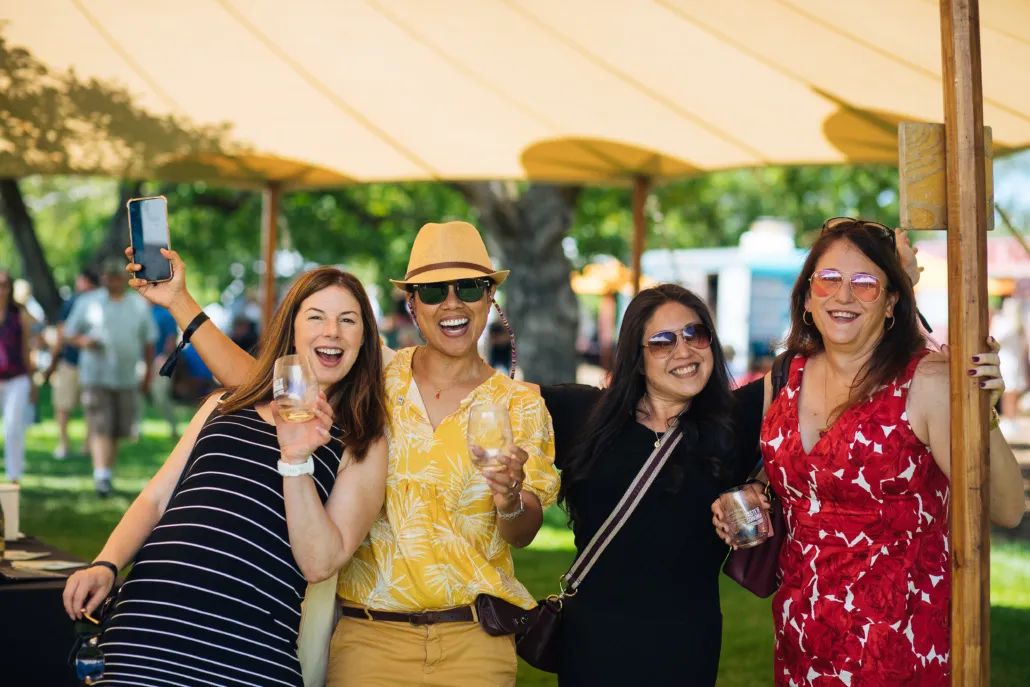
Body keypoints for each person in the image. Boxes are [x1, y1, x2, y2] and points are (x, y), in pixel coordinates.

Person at [125, 221, 559, 686]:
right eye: (433, 291)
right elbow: (258, 383)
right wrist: (180, 302)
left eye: (469, 287)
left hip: (473, 640)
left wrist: (509, 499)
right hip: (369, 638)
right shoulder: (376, 377)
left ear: (490, 297)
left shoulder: (521, 405)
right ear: (412, 304)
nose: (452, 303)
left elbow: (522, 533)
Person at [712, 217, 1024, 685]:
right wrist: (756, 490)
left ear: (892, 301)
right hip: (801, 634)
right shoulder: (785, 375)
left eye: (865, 283)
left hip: (899, 643)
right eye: (828, 279)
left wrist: (982, 410)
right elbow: (801, 472)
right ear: (807, 297)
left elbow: (1007, 506)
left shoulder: (927, 381)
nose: (843, 295)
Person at [62, 267, 388, 687]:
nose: (332, 331)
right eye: (316, 317)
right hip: (146, 629)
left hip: (246, 653)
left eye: (348, 320)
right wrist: (106, 564)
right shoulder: (227, 401)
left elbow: (319, 562)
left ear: (364, 340)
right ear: (292, 330)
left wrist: (296, 459)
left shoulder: (360, 442)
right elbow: (156, 500)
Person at [528, 284, 764, 686]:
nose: (684, 351)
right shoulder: (584, 414)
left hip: (685, 647)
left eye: (695, 334)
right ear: (636, 359)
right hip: (592, 644)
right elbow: (484, 392)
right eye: (662, 342)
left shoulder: (736, 421)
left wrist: (761, 484)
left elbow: (819, 374)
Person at [64, 259, 157, 496]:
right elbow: (69, 333)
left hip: (126, 377)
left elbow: (148, 342)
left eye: (116, 277)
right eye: (108, 276)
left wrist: (148, 373)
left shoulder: (138, 305)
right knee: (100, 425)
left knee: (117, 429)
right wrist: (85, 342)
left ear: (123, 279)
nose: (112, 281)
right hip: (96, 375)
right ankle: (101, 475)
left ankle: (106, 473)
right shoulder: (88, 302)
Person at [45, 268, 99, 459]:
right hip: (85, 362)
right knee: (85, 406)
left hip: (75, 362)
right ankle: (83, 446)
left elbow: (61, 333)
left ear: (84, 280)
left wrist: (53, 360)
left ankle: (67, 445)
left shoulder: (75, 301)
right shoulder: (99, 301)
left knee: (65, 406)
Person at [0, 271, 35, 483]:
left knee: (13, 427)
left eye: (4, 285)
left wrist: (32, 381)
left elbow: (26, 349)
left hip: (16, 378)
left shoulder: (19, 314)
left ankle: (14, 477)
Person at [150, 304, 179, 438]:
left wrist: (166, 357)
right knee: (135, 395)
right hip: (143, 360)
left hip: (160, 361)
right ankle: (134, 431)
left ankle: (173, 427)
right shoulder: (140, 310)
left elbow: (171, 337)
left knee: (160, 395)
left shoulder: (164, 314)